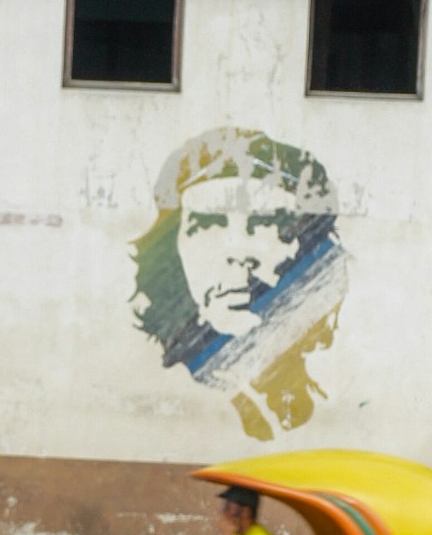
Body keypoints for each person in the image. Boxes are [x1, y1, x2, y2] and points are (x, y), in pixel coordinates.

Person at [132, 128, 348, 440]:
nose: (236, 251)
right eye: (208, 224)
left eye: (265, 224)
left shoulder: (327, 385)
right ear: (174, 250)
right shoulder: (165, 388)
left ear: (303, 247)